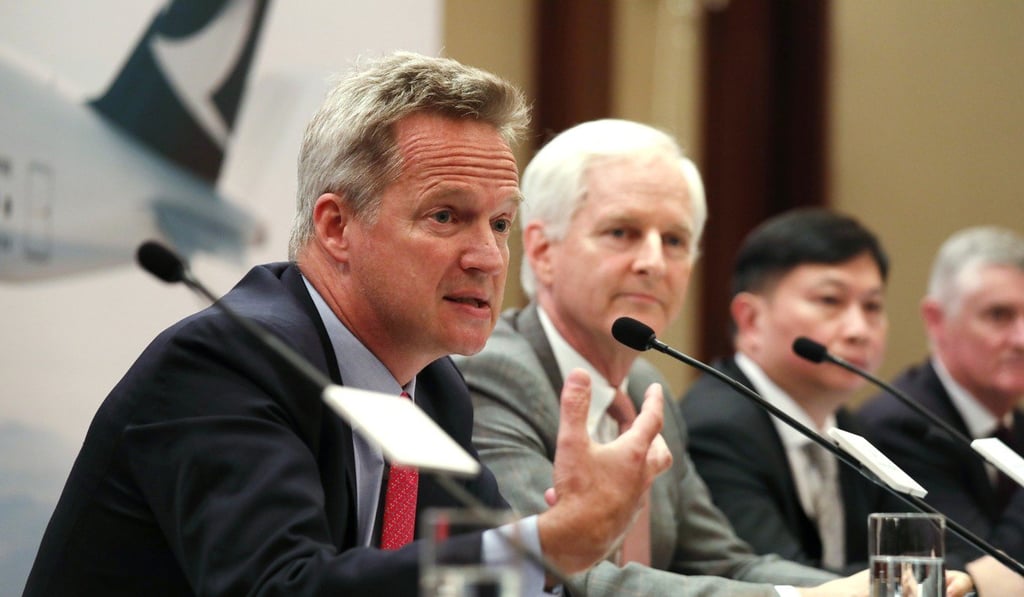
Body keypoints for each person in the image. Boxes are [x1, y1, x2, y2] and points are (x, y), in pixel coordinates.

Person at [23, 52, 674, 596]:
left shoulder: (434, 387)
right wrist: (543, 546)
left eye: (500, 222)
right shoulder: (223, 364)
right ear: (337, 227)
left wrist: (548, 553)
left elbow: (462, 577)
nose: (487, 256)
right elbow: (282, 586)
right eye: (446, 216)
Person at [454, 121, 969, 596]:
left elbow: (727, 563)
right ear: (543, 250)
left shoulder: (645, 388)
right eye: (622, 233)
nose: (654, 262)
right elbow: (559, 573)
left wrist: (885, 587)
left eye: (675, 241)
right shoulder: (495, 373)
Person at [679, 208, 904, 575]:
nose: (859, 330)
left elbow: (922, 547)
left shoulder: (851, 430)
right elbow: (776, 579)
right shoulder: (717, 428)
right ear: (751, 320)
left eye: (872, 306)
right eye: (830, 300)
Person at [858, 226, 1024, 589]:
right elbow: (973, 573)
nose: (1021, 338)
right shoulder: (900, 425)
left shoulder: (1015, 424)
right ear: (936, 320)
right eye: (999, 315)